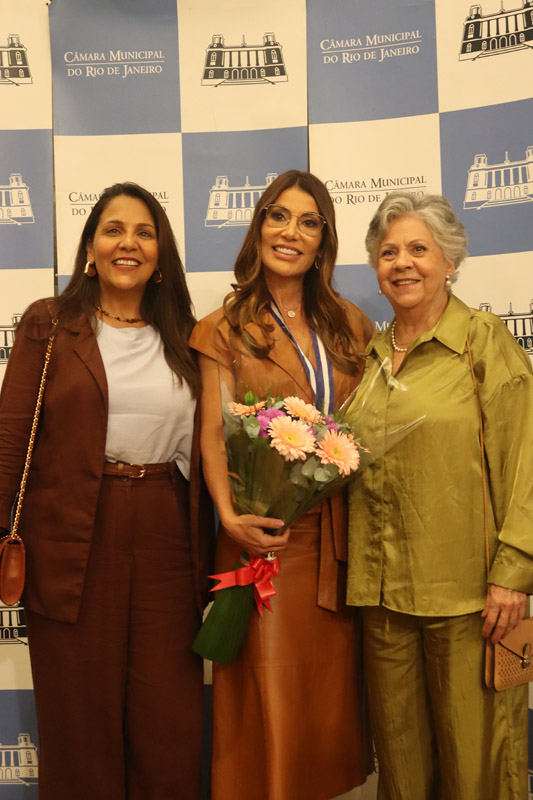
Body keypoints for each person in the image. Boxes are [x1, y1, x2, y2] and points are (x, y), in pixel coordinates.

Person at [0, 182, 214, 800]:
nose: (129, 243)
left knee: (167, 724)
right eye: (114, 230)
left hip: (165, 535)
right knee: (79, 723)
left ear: (161, 253)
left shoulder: (190, 336)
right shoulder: (50, 321)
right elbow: (14, 438)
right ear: (90, 248)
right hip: (69, 537)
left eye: (145, 232)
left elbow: (209, 453)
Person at [190, 170, 375, 800]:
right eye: (277, 216)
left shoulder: (352, 324)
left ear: (324, 241)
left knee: (331, 715)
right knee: (269, 706)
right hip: (262, 544)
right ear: (258, 228)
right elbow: (214, 435)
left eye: (307, 221)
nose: (290, 232)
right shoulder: (223, 325)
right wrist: (228, 516)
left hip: (341, 548)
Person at [346, 190, 533, 800]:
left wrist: (513, 573)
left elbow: (526, 461)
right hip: (382, 600)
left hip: (469, 600)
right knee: (402, 776)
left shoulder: (484, 342)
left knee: (473, 770)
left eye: (418, 249)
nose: (402, 262)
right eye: (389, 251)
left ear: (450, 261)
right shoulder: (371, 356)